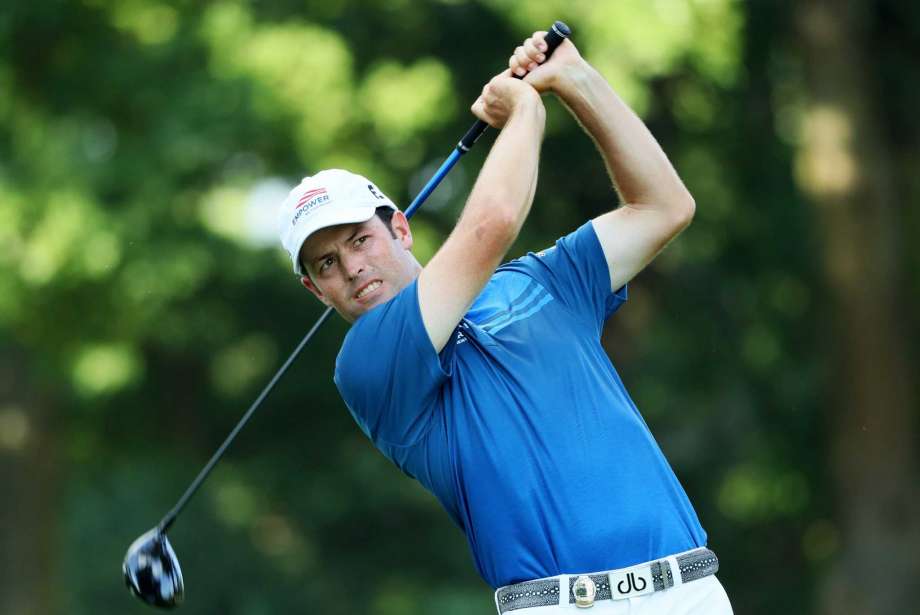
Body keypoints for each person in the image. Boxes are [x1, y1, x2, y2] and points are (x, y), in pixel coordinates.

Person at [277, 31, 732, 615]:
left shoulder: (536, 282)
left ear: (401, 229)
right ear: (316, 290)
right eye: (328, 265)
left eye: (360, 239)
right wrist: (522, 112)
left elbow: (664, 206)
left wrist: (574, 80)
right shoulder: (368, 363)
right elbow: (491, 223)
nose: (354, 268)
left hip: (691, 591)